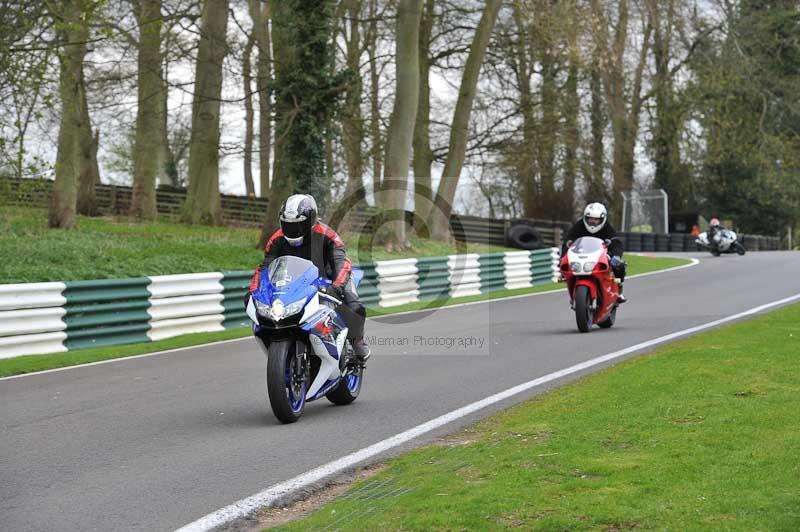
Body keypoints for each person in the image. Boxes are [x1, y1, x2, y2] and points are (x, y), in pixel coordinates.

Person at [252, 194, 370, 362]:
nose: (294, 230)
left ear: (311, 221)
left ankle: (357, 341)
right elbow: (266, 267)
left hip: (330, 278)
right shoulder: (276, 239)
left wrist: (336, 286)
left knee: (354, 305)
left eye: (299, 225)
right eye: (289, 225)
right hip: (296, 282)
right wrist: (257, 289)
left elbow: (341, 263)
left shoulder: (328, 236)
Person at [561, 202, 627, 303]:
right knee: (565, 269)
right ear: (585, 218)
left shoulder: (607, 227)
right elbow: (568, 240)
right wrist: (563, 257)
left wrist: (616, 255)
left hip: (602, 255)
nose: (593, 222)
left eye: (596, 219)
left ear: (602, 219)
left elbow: (616, 241)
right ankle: (575, 291)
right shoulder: (579, 226)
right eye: (590, 219)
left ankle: (619, 290)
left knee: (620, 265)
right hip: (582, 255)